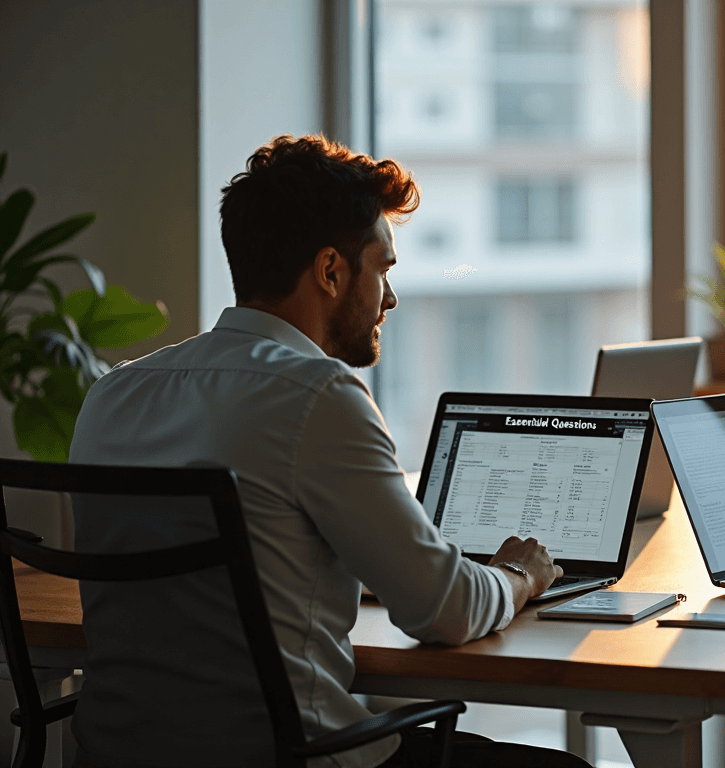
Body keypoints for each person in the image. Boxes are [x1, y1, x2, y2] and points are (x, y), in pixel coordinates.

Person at [69, 135, 590, 768]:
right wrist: (520, 575)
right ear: (331, 272)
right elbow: (445, 611)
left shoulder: (112, 394)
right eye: (384, 269)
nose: (390, 298)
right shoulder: (317, 396)